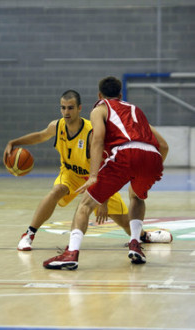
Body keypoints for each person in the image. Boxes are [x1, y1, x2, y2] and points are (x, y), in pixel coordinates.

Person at [3, 90, 171, 253]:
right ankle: (29, 234)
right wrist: (14, 142)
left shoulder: (91, 131)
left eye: (70, 108)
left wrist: (103, 200)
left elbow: (106, 163)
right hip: (70, 175)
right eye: (63, 107)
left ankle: (143, 235)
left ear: (79, 108)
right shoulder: (57, 126)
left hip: (96, 177)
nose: (66, 112)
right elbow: (40, 136)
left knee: (125, 224)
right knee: (56, 191)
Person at [43, 78, 169, 270]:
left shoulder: (100, 108)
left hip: (125, 153)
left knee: (84, 205)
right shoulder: (136, 110)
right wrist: (151, 166)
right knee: (136, 197)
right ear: (121, 95)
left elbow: (98, 139)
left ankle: (71, 253)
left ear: (99, 96)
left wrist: (93, 176)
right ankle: (135, 243)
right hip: (152, 156)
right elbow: (163, 145)